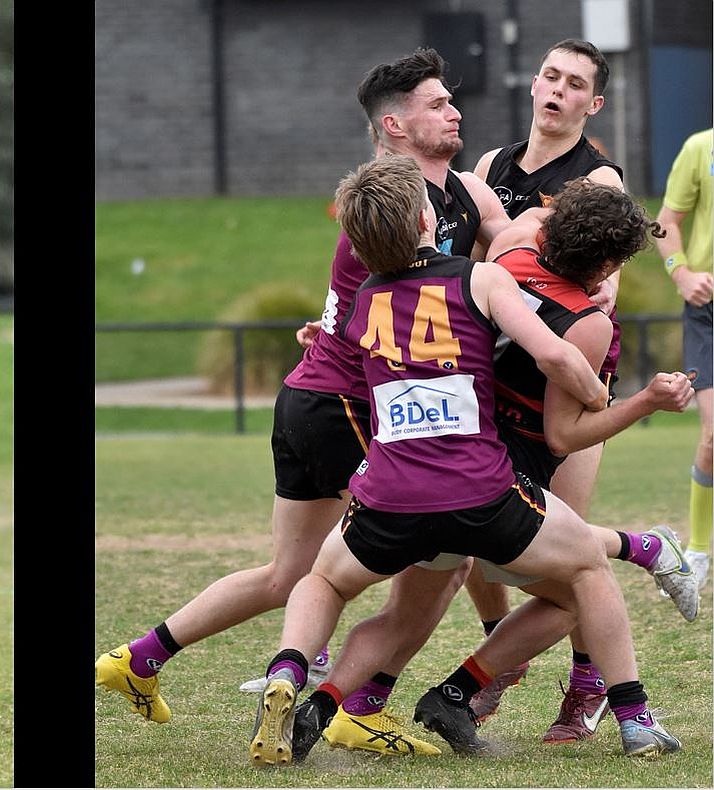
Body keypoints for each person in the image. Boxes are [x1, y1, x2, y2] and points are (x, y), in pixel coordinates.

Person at [94, 47, 509, 725]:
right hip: (343, 403)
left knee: (286, 574)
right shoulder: (390, 207)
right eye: (436, 103)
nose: (455, 110)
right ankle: (354, 704)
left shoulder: (454, 193)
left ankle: (139, 657)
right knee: (438, 557)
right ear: (395, 127)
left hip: (312, 397)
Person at [247, 154, 680, 766]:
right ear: (428, 217)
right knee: (584, 573)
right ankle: (635, 718)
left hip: (389, 495)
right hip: (480, 489)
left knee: (324, 580)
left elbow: (339, 350)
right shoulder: (480, 279)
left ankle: (294, 679)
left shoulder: (366, 297)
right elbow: (555, 358)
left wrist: (316, 338)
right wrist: (599, 391)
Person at [466, 38, 636, 736]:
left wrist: (549, 341)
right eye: (551, 76)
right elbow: (474, 269)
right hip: (496, 375)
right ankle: (502, 651)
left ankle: (588, 684)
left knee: (566, 550)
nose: (557, 90)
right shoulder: (489, 166)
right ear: (534, 84)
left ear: (592, 104)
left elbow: (602, 293)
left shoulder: (599, 183)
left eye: (575, 84)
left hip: (567, 379)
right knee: (476, 535)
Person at [657, 127, 714, 590]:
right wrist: (681, 274)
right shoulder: (700, 146)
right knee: (713, 434)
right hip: (707, 308)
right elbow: (666, 223)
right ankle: (699, 551)